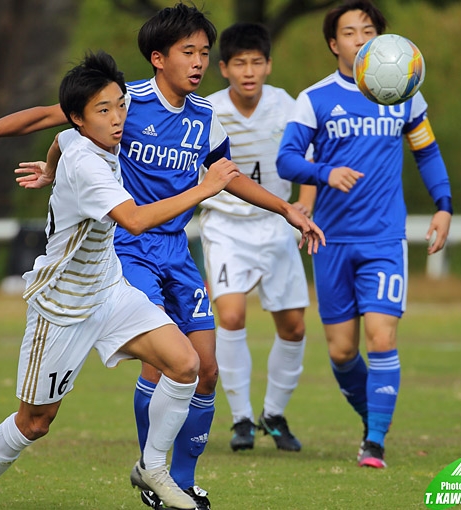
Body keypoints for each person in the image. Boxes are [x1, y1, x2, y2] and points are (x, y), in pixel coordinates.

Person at [0, 4, 324, 507]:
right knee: (38, 420)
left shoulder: (203, 116)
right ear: (158, 59)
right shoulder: (120, 102)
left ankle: (164, 476)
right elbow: (54, 123)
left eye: (205, 53)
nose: (199, 62)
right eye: (189, 52)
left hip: (159, 258)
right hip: (114, 257)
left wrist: (286, 208)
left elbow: (228, 175)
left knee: (197, 365)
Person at [0, 50, 243, 510]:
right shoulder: (88, 165)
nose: (118, 119)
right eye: (103, 111)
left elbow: (57, 142)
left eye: (121, 106)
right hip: (62, 306)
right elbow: (132, 219)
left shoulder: (76, 143)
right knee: (35, 422)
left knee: (186, 364)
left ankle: (152, 468)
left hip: (109, 289)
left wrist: (48, 168)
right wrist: (204, 188)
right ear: (79, 119)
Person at [277, 0, 452, 468]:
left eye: (367, 30)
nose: (359, 39)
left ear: (382, 39)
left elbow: (427, 153)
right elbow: (287, 160)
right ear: (334, 43)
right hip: (330, 240)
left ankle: (374, 441)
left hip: (383, 238)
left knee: (381, 336)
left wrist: (443, 206)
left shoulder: (406, 93)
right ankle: (373, 416)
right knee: (342, 351)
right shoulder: (314, 98)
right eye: (349, 32)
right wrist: (325, 172)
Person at [201, 22, 317, 454]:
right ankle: (241, 419)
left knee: (294, 325)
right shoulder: (207, 111)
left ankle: (274, 413)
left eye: (256, 62)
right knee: (230, 316)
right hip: (226, 224)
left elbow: (309, 161)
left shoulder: (288, 106)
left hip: (277, 224)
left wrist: (304, 205)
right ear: (224, 68)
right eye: (239, 63)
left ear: (268, 65)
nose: (248, 71)